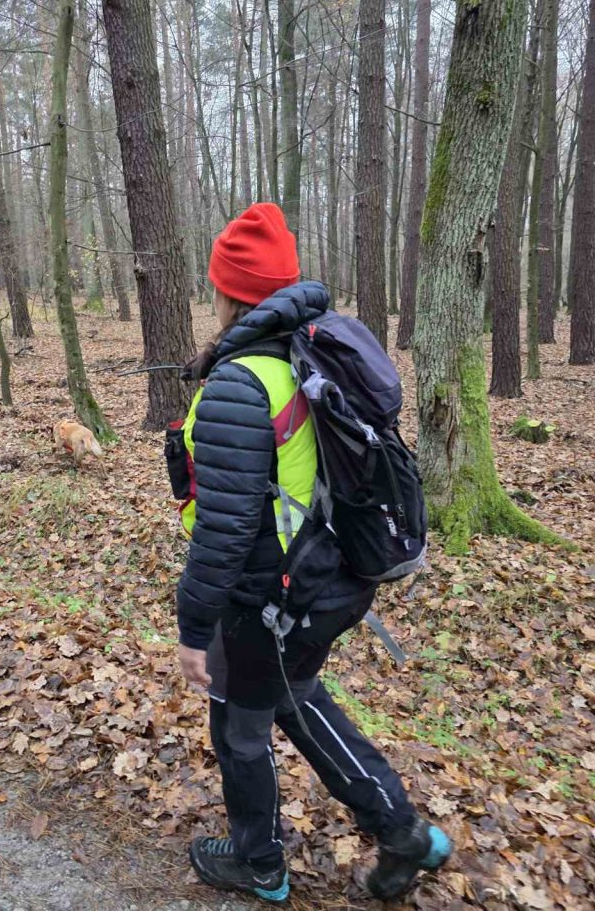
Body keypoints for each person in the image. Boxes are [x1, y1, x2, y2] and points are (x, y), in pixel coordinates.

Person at [173, 203, 452, 904]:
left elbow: (224, 532)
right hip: (332, 577)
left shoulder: (242, 382)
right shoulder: (309, 352)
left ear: (230, 291)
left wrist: (193, 627)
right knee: (295, 699)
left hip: (271, 596)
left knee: (240, 726)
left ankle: (258, 864)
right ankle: (403, 833)